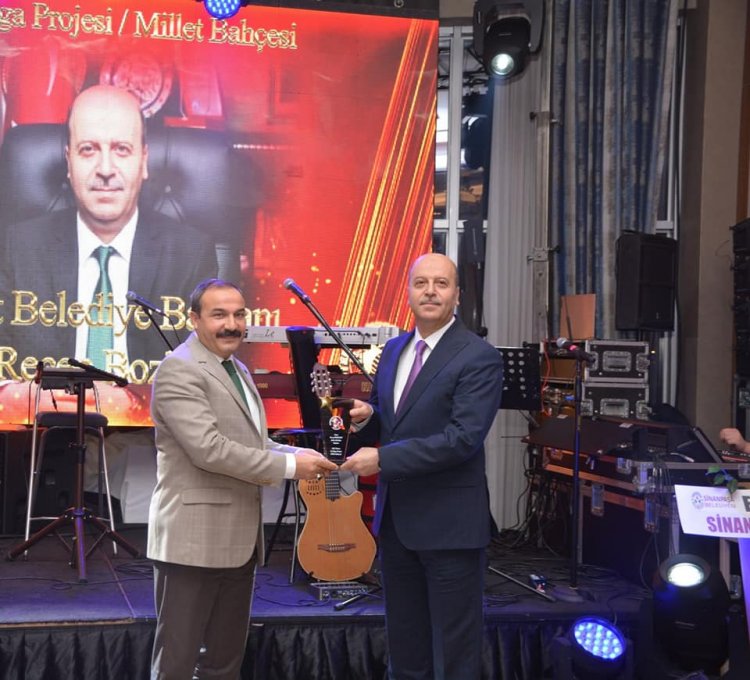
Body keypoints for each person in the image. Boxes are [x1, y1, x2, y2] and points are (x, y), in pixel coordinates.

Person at [147, 278, 337, 679]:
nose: (231, 324)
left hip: (239, 542)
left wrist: (296, 453)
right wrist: (290, 469)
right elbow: (209, 449)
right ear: (194, 319)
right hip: (193, 542)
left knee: (224, 664)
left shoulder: (238, 369)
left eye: (238, 314)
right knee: (177, 664)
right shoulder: (179, 369)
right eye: (219, 315)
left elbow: (254, 442)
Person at [341, 252, 503, 680]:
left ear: (457, 295)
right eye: (421, 283)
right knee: (406, 647)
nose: (430, 292)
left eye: (441, 284)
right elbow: (394, 420)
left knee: (454, 655)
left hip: (450, 528)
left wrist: (383, 458)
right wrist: (369, 417)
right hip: (397, 524)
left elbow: (462, 439)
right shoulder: (394, 350)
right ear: (409, 292)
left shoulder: (479, 356)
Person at [0, 84, 217, 374]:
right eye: (88, 150)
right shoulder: (15, 248)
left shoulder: (191, 254)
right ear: (69, 162)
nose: (105, 169)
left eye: (121, 150)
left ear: (143, 161)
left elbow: (201, 375)